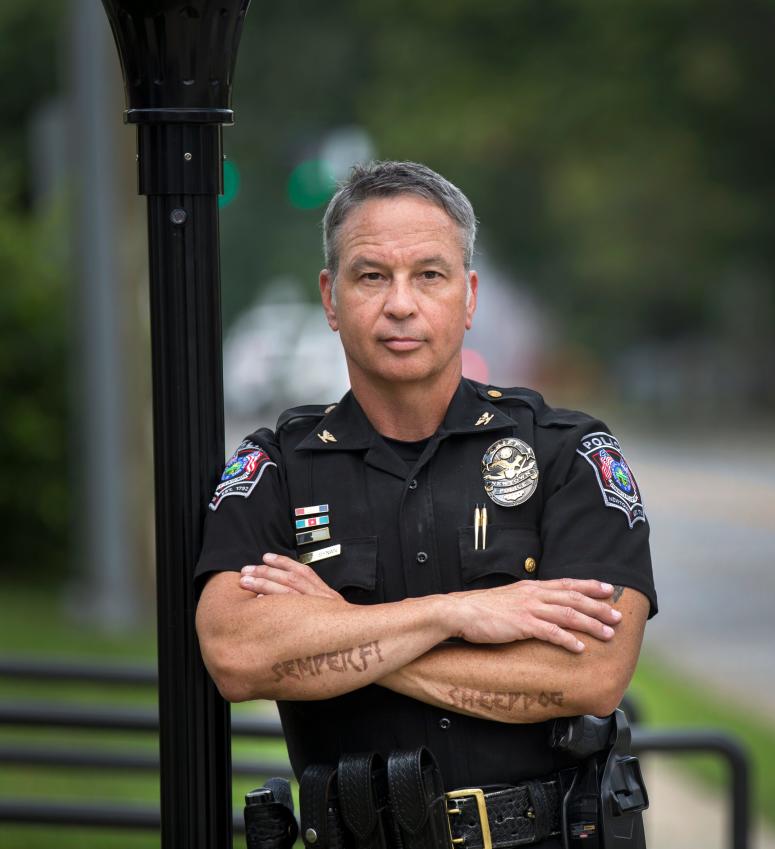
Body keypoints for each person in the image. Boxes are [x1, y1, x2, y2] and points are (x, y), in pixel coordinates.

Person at [195, 161, 656, 848]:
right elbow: (235, 653)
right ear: (331, 296)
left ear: (468, 297)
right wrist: (455, 612)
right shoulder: (276, 470)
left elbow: (590, 673)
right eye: (372, 275)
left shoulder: (568, 453)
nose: (401, 303)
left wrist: (338, 627)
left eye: (429, 275)